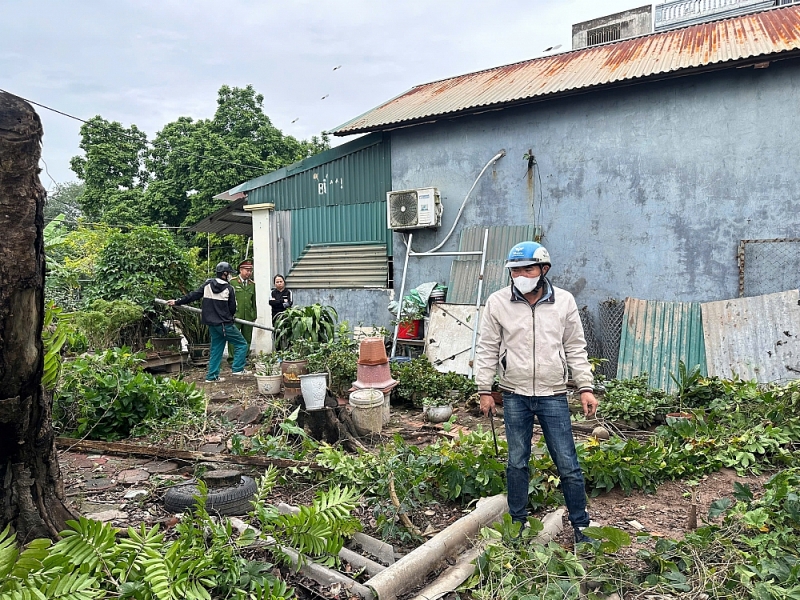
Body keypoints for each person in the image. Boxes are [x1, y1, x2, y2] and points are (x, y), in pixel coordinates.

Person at [474, 241, 599, 544]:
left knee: (568, 463)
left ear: (544, 269)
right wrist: (484, 389)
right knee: (517, 461)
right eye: (515, 270)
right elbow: (488, 347)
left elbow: (575, 347)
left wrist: (585, 387)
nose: (520, 275)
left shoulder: (564, 302)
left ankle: (581, 527)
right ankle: (517, 524)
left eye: (527, 269)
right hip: (514, 394)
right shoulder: (498, 302)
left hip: (553, 394)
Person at [168, 261, 250, 382]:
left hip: (212, 324)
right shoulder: (229, 289)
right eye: (228, 274)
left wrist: (177, 302)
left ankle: (212, 376)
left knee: (216, 349)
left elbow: (193, 295)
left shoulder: (207, 284)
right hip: (225, 324)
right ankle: (237, 368)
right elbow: (232, 309)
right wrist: (229, 317)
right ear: (225, 274)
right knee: (242, 344)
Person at [228, 259, 256, 361]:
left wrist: (254, 315)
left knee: (247, 338)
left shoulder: (252, 284)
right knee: (233, 337)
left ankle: (244, 358)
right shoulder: (232, 282)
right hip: (235, 315)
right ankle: (232, 358)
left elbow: (253, 302)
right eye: (247, 270)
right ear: (241, 270)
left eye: (250, 271)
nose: (249, 273)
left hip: (248, 315)